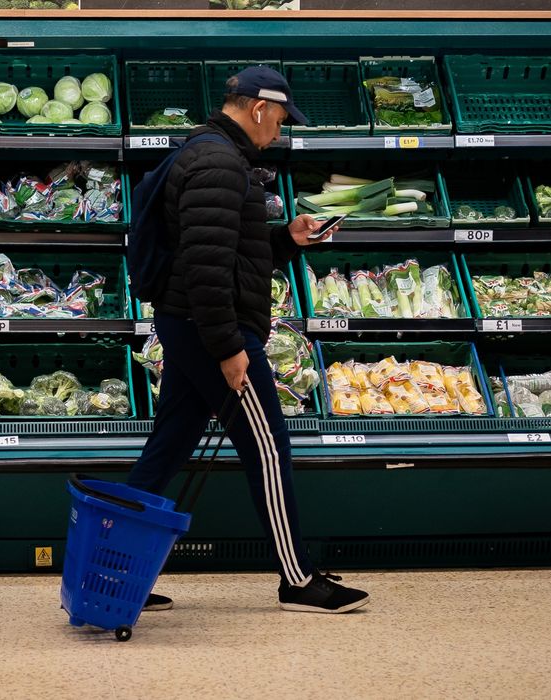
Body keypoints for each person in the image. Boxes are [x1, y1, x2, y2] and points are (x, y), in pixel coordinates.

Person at [128, 66, 370, 614]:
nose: (280, 132)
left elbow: (226, 250)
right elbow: (206, 267)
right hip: (209, 328)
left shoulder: (211, 152)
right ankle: (299, 580)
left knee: (167, 447)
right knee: (267, 448)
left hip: (188, 324)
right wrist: (229, 348)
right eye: (281, 119)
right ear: (259, 108)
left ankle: (116, 569)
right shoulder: (217, 162)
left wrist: (286, 237)